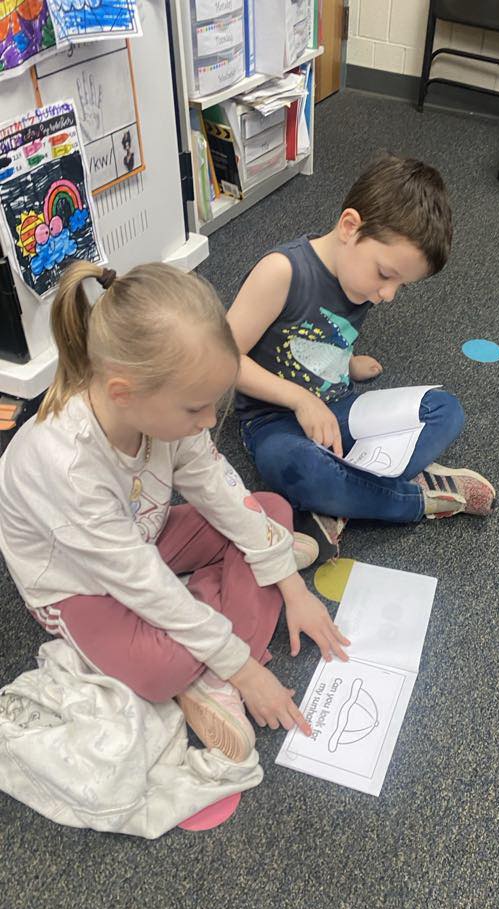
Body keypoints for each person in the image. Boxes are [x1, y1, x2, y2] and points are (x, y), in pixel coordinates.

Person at [0, 260, 349, 763]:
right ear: (124, 393)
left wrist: (294, 589)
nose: (208, 421)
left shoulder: (161, 409)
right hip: (77, 584)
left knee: (268, 509)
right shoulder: (67, 465)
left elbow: (216, 485)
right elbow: (138, 580)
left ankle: (212, 642)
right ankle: (214, 656)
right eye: (194, 409)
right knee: (159, 671)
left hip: (143, 535)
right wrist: (245, 671)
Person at [229, 153, 496, 561]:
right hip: (273, 423)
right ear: (350, 227)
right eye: (387, 276)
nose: (388, 295)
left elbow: (322, 338)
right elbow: (223, 360)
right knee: (305, 470)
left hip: (339, 411)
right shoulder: (282, 271)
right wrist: (301, 399)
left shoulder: (361, 279)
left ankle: (341, 503)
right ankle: (415, 499)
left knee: (445, 410)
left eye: (401, 286)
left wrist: (348, 364)